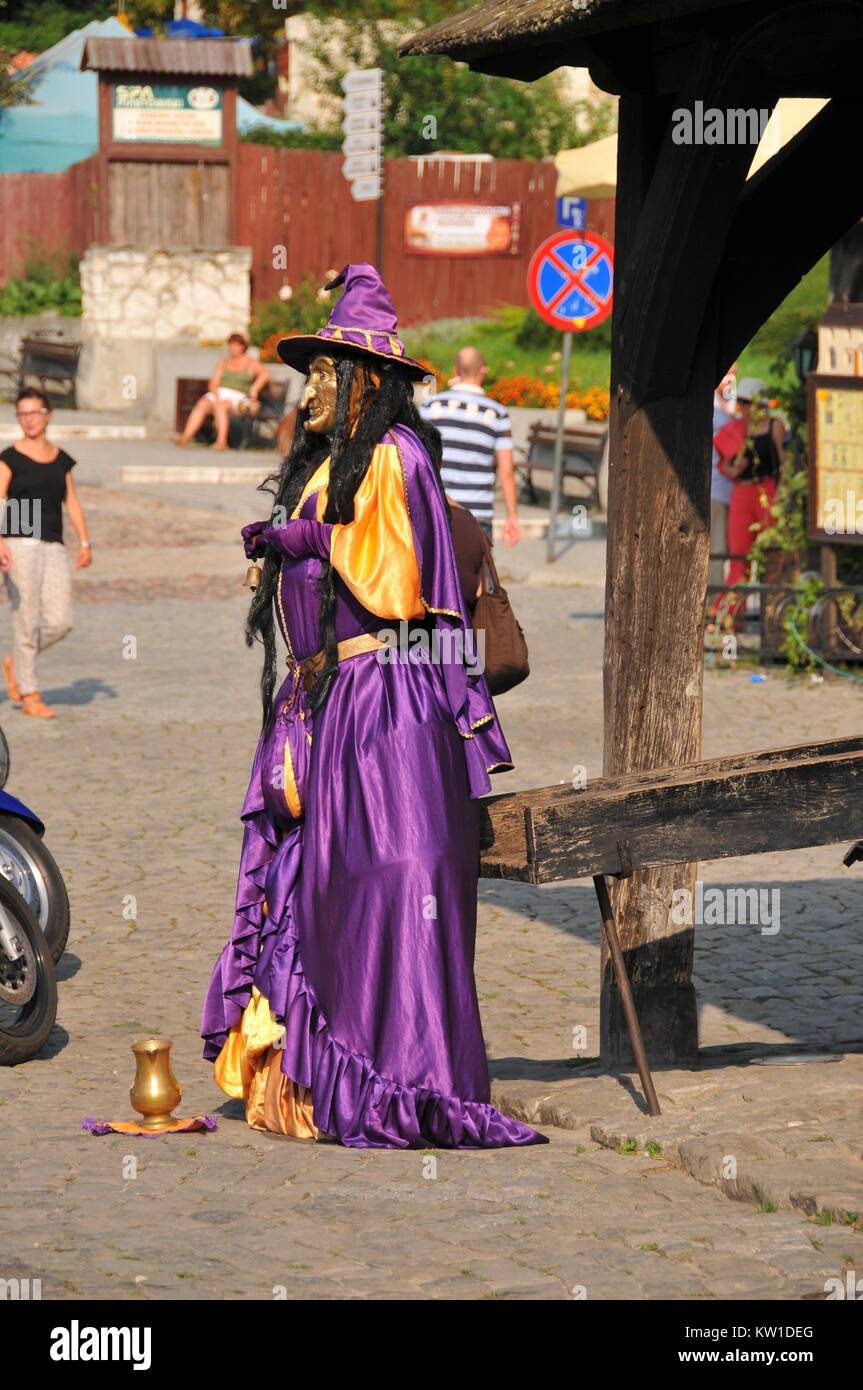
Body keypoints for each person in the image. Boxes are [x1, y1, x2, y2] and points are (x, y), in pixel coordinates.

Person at [201, 263, 547, 1150]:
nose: (310, 387)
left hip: (387, 708)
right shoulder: (328, 466)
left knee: (397, 882)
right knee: (327, 891)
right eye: (306, 372)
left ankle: (406, 1083)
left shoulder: (396, 458)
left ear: (363, 383)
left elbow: (392, 575)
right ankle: (322, 1083)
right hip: (330, 705)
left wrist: (299, 535)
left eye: (325, 372)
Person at [0, 389, 92, 719]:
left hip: (53, 541)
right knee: (25, 620)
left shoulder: (60, 458)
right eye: (22, 414)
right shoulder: (9, 457)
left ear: (48, 414)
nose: (29, 419)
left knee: (60, 620)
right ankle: (29, 693)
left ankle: (16, 663)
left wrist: (84, 542)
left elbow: (73, 501)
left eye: (35, 412)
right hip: (17, 539)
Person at [420, 347, 521, 545]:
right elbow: (506, 470)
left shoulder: (430, 407)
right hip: (478, 512)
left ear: (456, 371)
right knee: (478, 575)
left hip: (437, 508)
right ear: (483, 370)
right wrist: (512, 516)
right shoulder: (497, 413)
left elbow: (419, 458)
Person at [715, 376, 785, 590]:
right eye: (741, 403)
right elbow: (725, 467)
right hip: (742, 493)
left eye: (746, 403)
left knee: (770, 553)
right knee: (739, 554)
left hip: (767, 490)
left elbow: (785, 463)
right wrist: (736, 469)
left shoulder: (775, 426)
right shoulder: (737, 428)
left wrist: (781, 492)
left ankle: (770, 610)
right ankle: (732, 615)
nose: (742, 408)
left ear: (760, 404)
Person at [173, 333, 270, 451]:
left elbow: (265, 374)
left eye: (235, 345)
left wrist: (254, 388)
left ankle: (221, 441)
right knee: (202, 404)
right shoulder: (223, 362)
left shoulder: (250, 363)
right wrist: (215, 394)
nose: (231, 348)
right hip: (219, 393)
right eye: (230, 345)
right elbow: (213, 382)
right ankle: (186, 437)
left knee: (221, 406)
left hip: (238, 397)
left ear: (242, 347)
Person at [709, 363, 737, 591]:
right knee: (716, 545)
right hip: (715, 485)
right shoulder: (709, 402)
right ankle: (715, 597)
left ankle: (729, 599)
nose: (730, 378)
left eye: (734, 373)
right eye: (726, 372)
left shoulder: (734, 400)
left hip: (735, 486)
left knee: (733, 546)